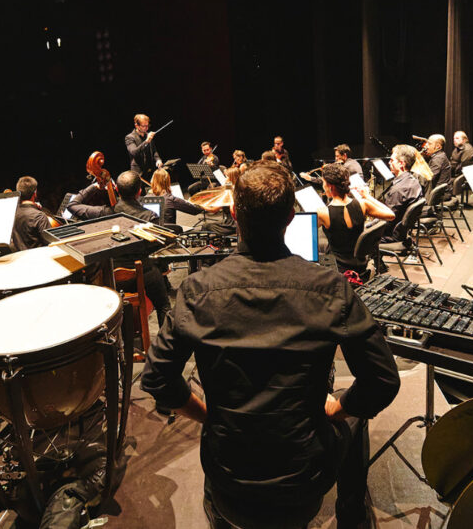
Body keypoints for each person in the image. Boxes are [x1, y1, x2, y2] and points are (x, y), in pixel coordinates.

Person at [141, 164, 401, 528]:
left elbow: (156, 379)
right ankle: (352, 516)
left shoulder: (197, 291)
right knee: (353, 413)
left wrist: (207, 415)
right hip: (303, 482)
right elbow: (383, 381)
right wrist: (336, 408)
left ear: (233, 214)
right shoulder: (331, 289)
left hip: (228, 477)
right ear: (292, 217)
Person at [67, 171, 173, 327]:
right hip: (144, 273)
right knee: (164, 305)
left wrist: (95, 186)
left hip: (113, 276)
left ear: (116, 190)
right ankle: (167, 348)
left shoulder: (105, 213)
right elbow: (156, 247)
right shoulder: (150, 217)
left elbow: (72, 205)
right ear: (139, 191)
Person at [317, 163, 394, 279]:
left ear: (330, 186)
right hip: (360, 265)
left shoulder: (322, 212)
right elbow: (391, 215)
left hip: (337, 269)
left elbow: (306, 236)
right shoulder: (362, 204)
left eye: (323, 182)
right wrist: (367, 196)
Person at [381, 145, 425, 242]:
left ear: (401, 164)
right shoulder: (414, 181)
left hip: (389, 235)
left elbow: (386, 221)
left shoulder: (399, 189)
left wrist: (367, 225)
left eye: (392, 160)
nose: (389, 162)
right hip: (402, 233)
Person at [11, 175, 53, 251]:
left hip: (18, 258)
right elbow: (51, 244)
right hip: (38, 259)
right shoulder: (39, 216)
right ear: (35, 193)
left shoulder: (11, 213)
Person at [300, 143, 364, 185]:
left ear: (344, 155)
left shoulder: (346, 167)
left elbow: (328, 181)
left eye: (337, 156)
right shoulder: (354, 162)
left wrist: (310, 178)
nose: (335, 159)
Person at [423, 134, 452, 199]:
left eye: (429, 144)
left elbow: (428, 178)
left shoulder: (438, 158)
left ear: (438, 146)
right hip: (439, 191)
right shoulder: (439, 155)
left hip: (440, 194)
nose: (426, 146)